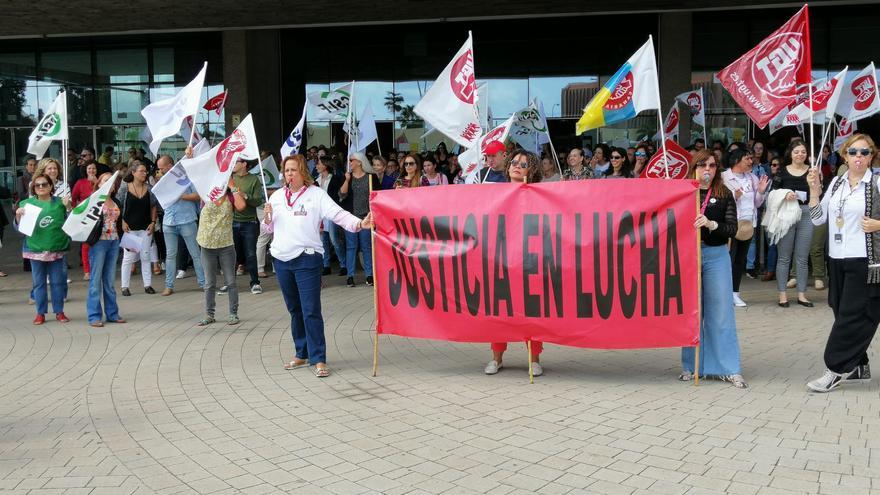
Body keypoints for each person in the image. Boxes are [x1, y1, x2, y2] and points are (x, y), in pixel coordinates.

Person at [264, 155, 374, 378]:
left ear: (303, 172)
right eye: (287, 171)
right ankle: (301, 352)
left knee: (310, 310)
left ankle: (319, 357)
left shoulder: (316, 195)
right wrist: (266, 219)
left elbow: (337, 214)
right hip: (282, 260)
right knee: (294, 309)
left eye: (294, 170)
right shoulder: (275, 197)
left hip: (307, 259)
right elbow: (267, 230)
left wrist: (359, 223)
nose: (290, 174)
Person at [806, 134, 879, 392]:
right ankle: (859, 365)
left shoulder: (878, 183)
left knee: (851, 316)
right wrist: (814, 193)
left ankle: (835, 368)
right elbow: (817, 219)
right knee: (839, 308)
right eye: (854, 152)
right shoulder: (837, 182)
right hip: (837, 257)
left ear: (872, 156)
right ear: (845, 155)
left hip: (866, 261)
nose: (859, 157)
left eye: (865, 152)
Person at [680, 150, 746, 388]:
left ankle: (728, 368)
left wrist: (711, 223)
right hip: (689, 256)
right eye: (702, 165)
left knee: (720, 312)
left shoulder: (724, 193)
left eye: (712, 165)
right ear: (694, 167)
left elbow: (732, 229)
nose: (707, 169)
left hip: (716, 255)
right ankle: (691, 366)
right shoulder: (683, 191)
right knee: (693, 312)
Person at [485, 151, 545, 376]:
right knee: (500, 310)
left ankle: (534, 358)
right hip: (501, 259)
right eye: (514, 162)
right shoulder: (493, 192)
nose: (517, 166)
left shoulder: (540, 194)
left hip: (531, 260)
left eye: (523, 164)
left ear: (532, 170)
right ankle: (497, 357)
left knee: (532, 309)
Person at [193, 159, 247, 326]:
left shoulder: (232, 196)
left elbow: (242, 206)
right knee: (209, 284)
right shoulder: (205, 193)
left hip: (226, 246)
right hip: (207, 246)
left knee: (230, 281)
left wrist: (233, 186)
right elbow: (194, 172)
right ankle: (209, 314)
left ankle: (233, 313)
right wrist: (190, 156)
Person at [16, 173, 70, 325]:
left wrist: (69, 207)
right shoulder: (26, 204)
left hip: (56, 248)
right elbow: (19, 228)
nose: (41, 187)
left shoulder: (60, 202)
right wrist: (18, 216)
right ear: (33, 188)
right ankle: (40, 313)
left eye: (44, 184)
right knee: (38, 283)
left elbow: (72, 222)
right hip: (35, 249)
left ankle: (59, 311)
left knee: (57, 282)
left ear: (51, 186)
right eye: (37, 185)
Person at [721, 149, 769, 307]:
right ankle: (723, 294)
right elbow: (720, 202)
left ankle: (735, 293)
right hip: (731, 225)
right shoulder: (724, 177)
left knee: (740, 261)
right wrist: (733, 197)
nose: (751, 161)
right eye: (747, 158)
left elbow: (757, 203)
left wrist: (761, 192)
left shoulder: (752, 178)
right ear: (736, 160)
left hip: (748, 225)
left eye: (750, 158)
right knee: (728, 260)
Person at [155, 155, 205, 296]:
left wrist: (180, 196)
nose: (159, 171)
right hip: (169, 221)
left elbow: (198, 195)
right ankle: (168, 286)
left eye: (162, 168)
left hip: (186, 219)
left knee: (195, 253)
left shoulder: (186, 177)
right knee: (170, 255)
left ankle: (203, 283)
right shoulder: (162, 181)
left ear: (170, 165)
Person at [773, 139, 814, 307]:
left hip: (806, 213)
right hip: (787, 214)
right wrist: (784, 195)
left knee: (802, 258)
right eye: (796, 151)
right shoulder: (782, 172)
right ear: (790, 153)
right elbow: (772, 193)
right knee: (784, 257)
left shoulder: (812, 171)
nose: (800, 155)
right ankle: (782, 295)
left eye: (803, 152)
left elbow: (820, 192)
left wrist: (817, 180)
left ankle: (802, 294)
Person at [86, 172, 126, 327]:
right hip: (98, 243)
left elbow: (119, 222)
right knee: (95, 280)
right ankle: (94, 316)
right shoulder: (94, 201)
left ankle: (112, 314)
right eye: (106, 180)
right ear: (99, 184)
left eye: (112, 181)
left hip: (113, 242)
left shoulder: (116, 201)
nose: (110, 183)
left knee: (109, 281)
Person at [118, 161, 158, 296]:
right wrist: (122, 221)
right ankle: (124, 286)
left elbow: (153, 206)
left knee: (145, 256)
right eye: (141, 171)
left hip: (145, 227)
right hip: (131, 228)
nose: (144, 173)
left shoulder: (149, 188)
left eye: (145, 171)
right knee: (128, 257)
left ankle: (147, 285)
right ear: (133, 173)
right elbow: (119, 206)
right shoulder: (125, 188)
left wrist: (153, 222)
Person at [339, 152, 379, 287]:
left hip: (366, 217)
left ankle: (369, 275)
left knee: (366, 247)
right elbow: (342, 195)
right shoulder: (348, 178)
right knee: (351, 247)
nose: (349, 163)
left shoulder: (371, 178)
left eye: (352, 160)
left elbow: (377, 197)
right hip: (351, 218)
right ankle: (350, 276)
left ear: (360, 162)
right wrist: (346, 180)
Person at [230, 157, 265, 294]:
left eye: (236, 162)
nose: (233, 164)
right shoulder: (230, 178)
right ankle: (230, 284)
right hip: (232, 222)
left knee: (250, 254)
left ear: (244, 164)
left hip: (250, 222)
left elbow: (258, 201)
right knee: (232, 255)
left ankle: (255, 282)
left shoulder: (254, 180)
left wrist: (245, 196)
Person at [315, 155, 346, 275]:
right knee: (323, 240)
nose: (317, 166)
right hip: (320, 214)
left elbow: (338, 196)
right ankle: (326, 265)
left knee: (334, 239)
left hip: (331, 213)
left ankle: (343, 264)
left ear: (325, 165)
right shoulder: (316, 180)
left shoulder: (334, 179)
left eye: (319, 163)